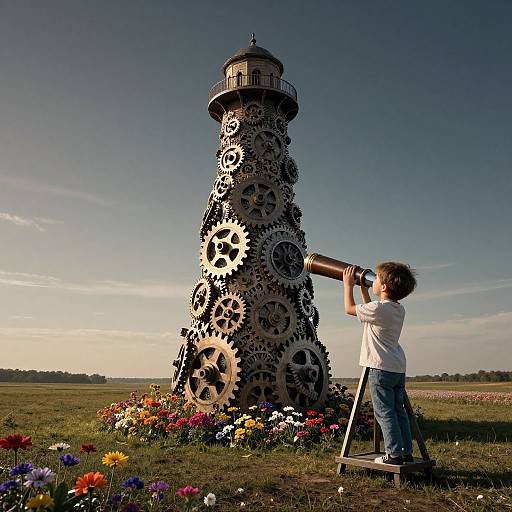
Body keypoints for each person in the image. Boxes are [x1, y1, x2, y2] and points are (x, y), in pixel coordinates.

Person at [342, 262, 417, 465]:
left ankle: (393, 455)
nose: (372, 281)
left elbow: (349, 309)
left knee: (384, 412)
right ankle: (405, 451)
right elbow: (370, 313)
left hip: (380, 367)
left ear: (383, 287)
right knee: (398, 410)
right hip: (397, 367)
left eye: (376, 278)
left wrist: (348, 285)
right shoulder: (397, 309)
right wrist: (365, 291)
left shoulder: (378, 309)